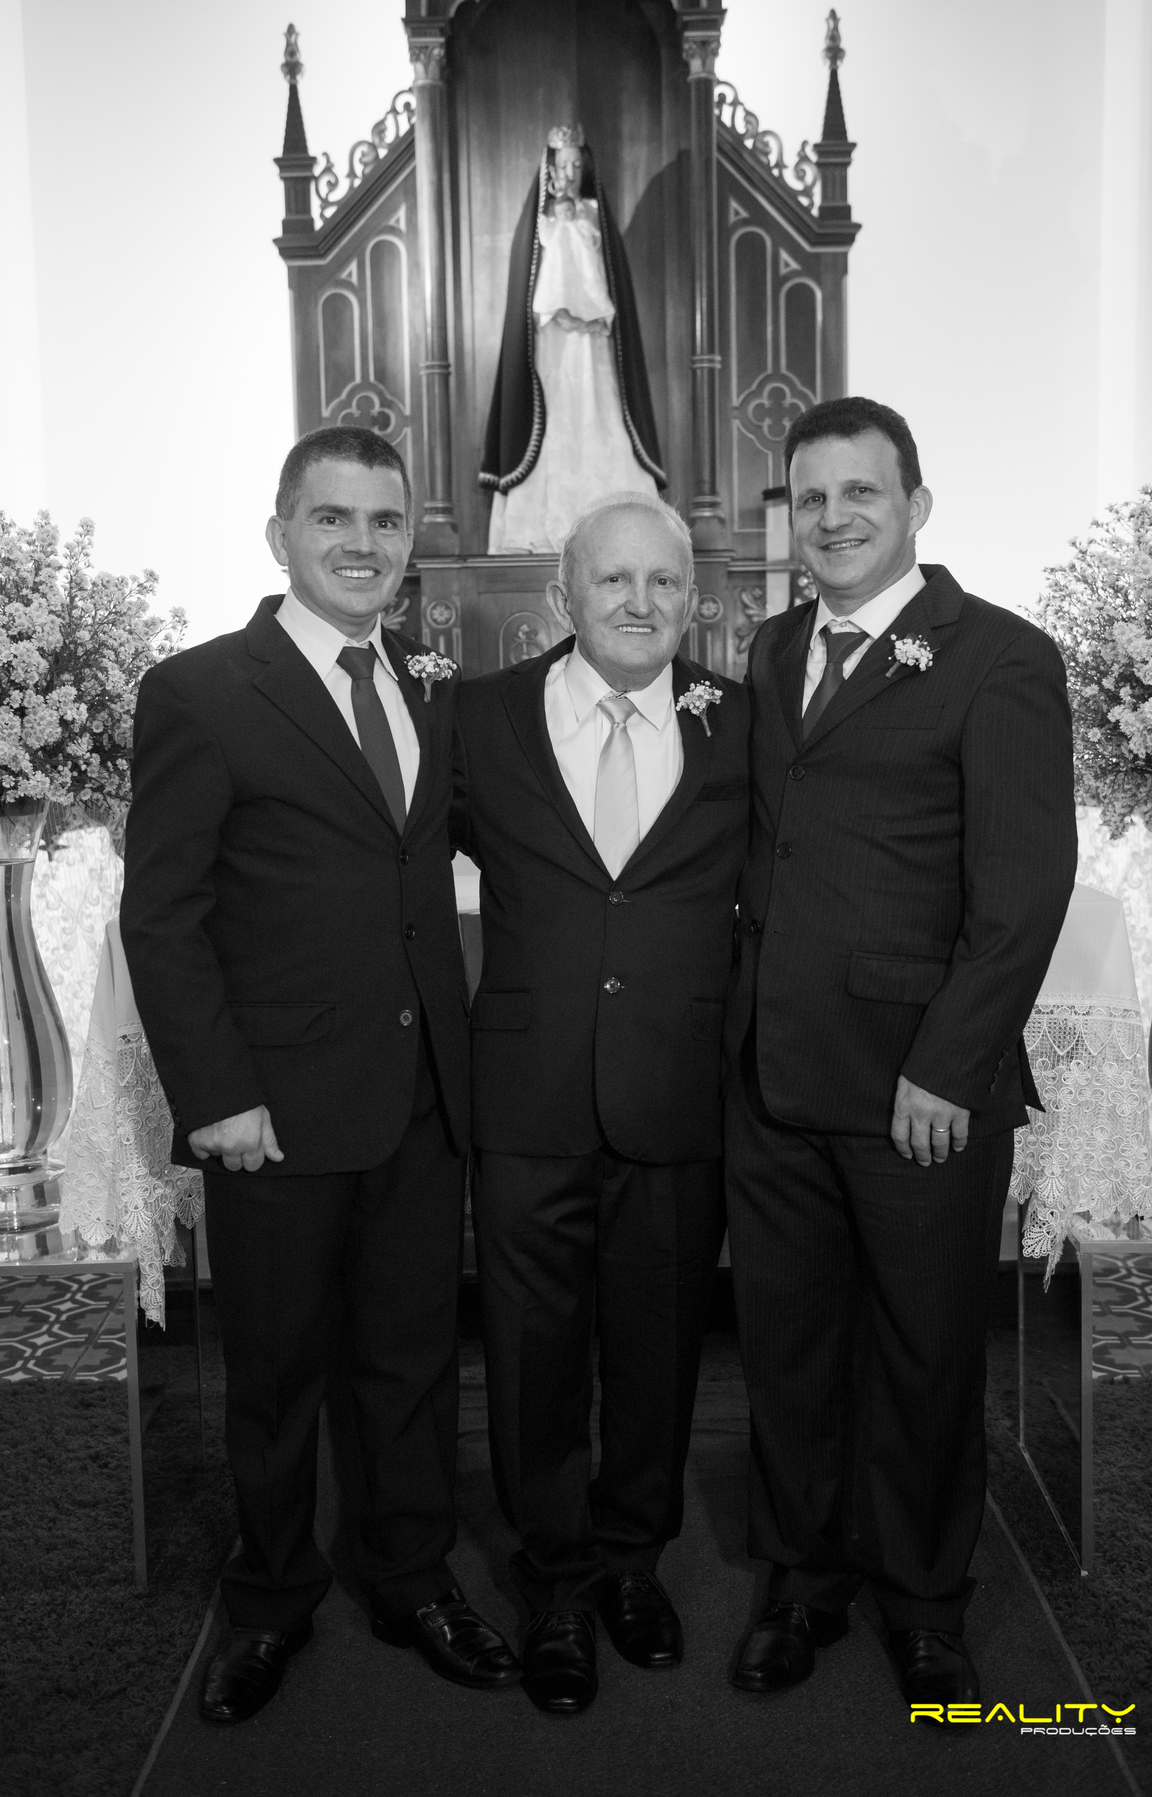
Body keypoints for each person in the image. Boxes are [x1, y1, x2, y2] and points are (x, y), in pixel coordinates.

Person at [120, 425, 520, 1725]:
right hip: (275, 1112)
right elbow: (163, 918)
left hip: (420, 1097)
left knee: (411, 1363)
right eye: (332, 518)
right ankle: (271, 1599)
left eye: (385, 521)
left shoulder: (434, 683)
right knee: (278, 1374)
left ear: (410, 545)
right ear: (279, 533)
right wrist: (216, 1095)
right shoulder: (200, 691)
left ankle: (410, 1578)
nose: (361, 543)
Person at [723, 398, 1076, 1713]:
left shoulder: (1001, 658)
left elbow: (1023, 892)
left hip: (917, 1087)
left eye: (860, 494)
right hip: (774, 1078)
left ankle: (927, 1604)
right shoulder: (770, 650)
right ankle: (802, 1581)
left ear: (916, 506)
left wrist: (947, 1064)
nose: (833, 519)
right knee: (789, 1349)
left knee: (925, 1356)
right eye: (811, 498)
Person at [452, 491, 750, 1715]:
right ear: (562, 597)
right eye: (613, 580)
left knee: (658, 1352)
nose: (639, 602)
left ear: (694, 601)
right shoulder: (476, 719)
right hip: (527, 1096)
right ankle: (557, 1585)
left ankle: (634, 1562)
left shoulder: (741, 723)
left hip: (677, 1096)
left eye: (663, 582)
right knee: (531, 1358)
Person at [480, 124, 665, 552]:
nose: (569, 173)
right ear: (549, 169)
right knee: (552, 427)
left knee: (600, 420)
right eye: (562, 164)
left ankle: (621, 534)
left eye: (577, 165)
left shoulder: (594, 217)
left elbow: (610, 281)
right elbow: (528, 288)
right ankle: (536, 533)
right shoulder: (539, 223)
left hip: (595, 346)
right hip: (549, 348)